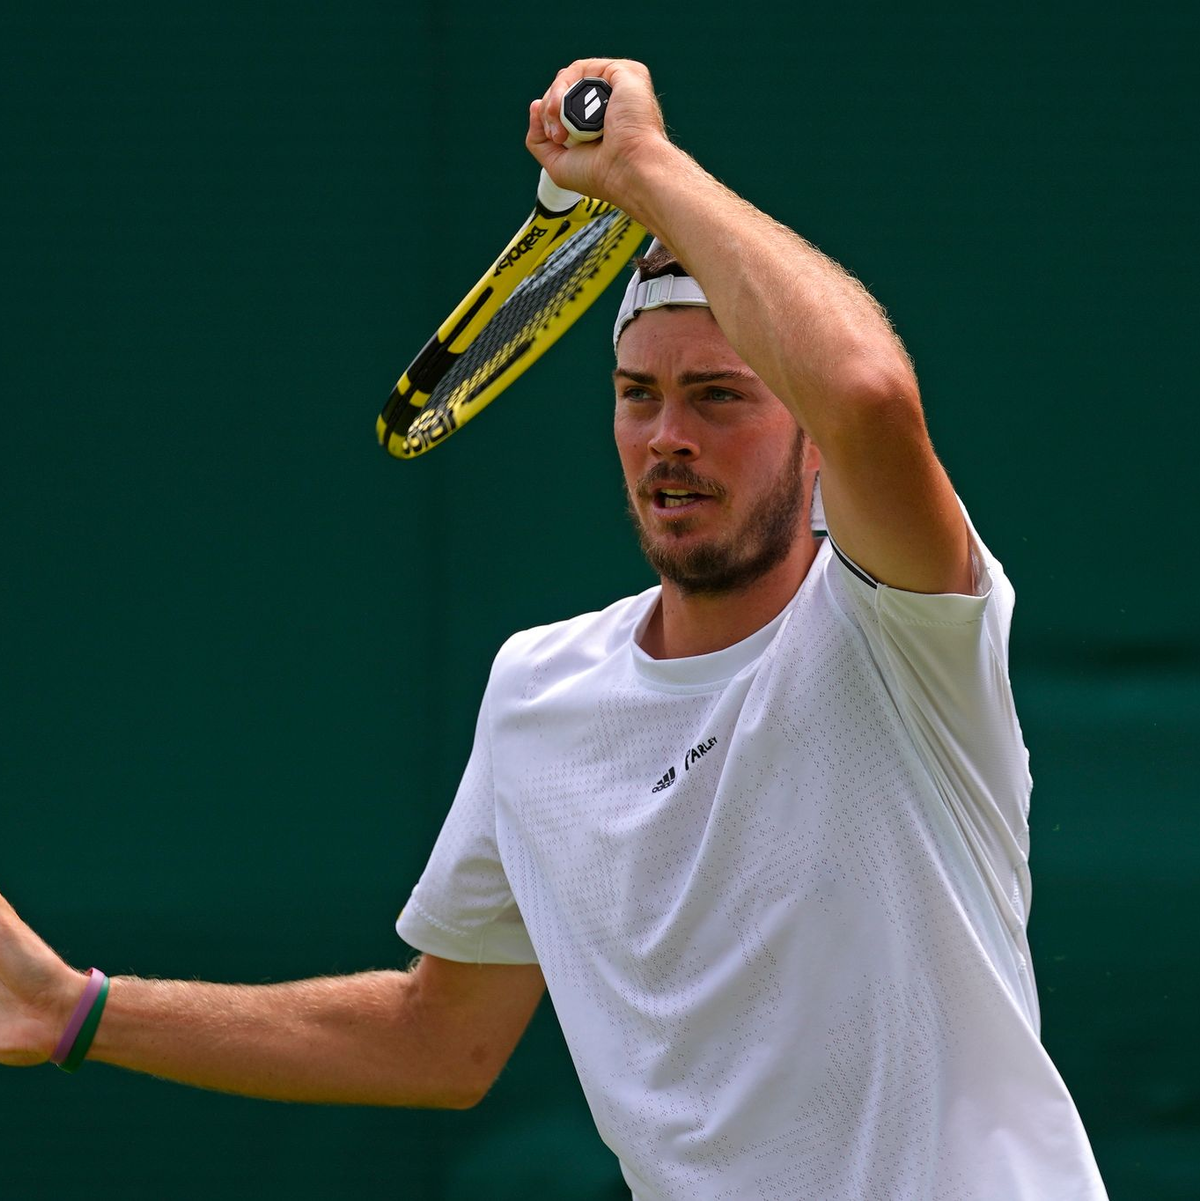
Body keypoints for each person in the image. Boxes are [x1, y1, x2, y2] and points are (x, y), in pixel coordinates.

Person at [0, 58, 1106, 1200]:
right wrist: (68, 1009)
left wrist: (642, 167)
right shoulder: (539, 692)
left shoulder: (904, 629)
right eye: (639, 395)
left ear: (809, 441)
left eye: (719, 397)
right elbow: (440, 1038)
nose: (668, 436)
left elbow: (871, 390)